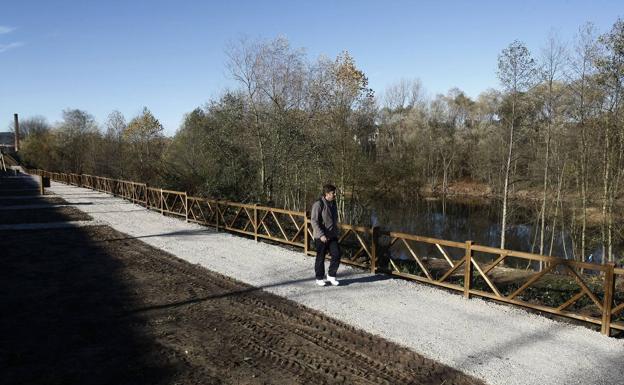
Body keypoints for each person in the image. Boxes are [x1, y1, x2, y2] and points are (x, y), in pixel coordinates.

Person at [310, 184, 341, 286]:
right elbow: (314, 221)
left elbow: (333, 220)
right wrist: (321, 235)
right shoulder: (318, 204)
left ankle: (331, 275)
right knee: (320, 257)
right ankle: (319, 278)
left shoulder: (333, 204)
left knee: (336, 254)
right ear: (327, 194)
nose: (335, 194)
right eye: (333, 193)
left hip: (332, 236)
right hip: (321, 236)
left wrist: (336, 232)